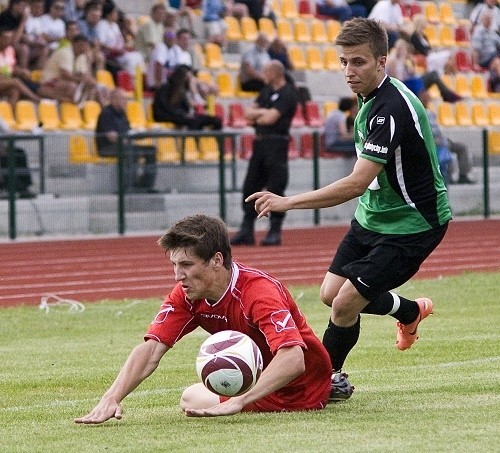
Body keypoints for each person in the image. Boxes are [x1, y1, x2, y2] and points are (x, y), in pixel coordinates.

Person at [247, 18, 452, 400]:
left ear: (381, 62)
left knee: (344, 304)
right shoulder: (368, 97)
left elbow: (356, 183)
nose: (348, 71)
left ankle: (326, 379)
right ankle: (407, 311)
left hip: (412, 223)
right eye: (344, 62)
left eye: (358, 62)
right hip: (374, 215)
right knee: (330, 293)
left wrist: (287, 201)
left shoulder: (390, 109)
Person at [74, 214, 332, 423]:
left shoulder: (258, 292)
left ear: (216, 260)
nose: (177, 275)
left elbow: (294, 358)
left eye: (186, 265)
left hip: (301, 390)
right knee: (189, 398)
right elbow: (151, 349)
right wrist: (111, 397)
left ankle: (331, 387)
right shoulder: (187, 295)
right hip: (254, 387)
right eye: (174, 265)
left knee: (194, 397)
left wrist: (238, 401)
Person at [230, 60, 298, 247]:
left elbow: (270, 118)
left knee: (276, 186)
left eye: (266, 71)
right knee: (250, 185)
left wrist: (259, 115)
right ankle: (247, 229)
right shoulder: (266, 91)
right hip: (260, 143)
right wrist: (262, 114)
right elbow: (247, 114)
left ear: (276, 73)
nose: (263, 75)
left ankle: (274, 230)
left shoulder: (288, 93)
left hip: (277, 144)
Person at [95, 88, 157, 193]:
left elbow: (128, 131)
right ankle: (129, 186)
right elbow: (111, 136)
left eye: (126, 99)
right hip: (108, 148)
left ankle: (146, 185)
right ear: (114, 100)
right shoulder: (106, 114)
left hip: (124, 145)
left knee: (150, 150)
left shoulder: (123, 114)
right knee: (132, 152)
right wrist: (125, 139)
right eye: (123, 99)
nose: (126, 102)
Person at [419, 89, 475, 185]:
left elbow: (437, 131)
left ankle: (463, 175)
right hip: (433, 143)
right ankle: (447, 177)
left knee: (462, 147)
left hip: (442, 140)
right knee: (444, 151)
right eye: (426, 98)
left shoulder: (431, 113)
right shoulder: (419, 113)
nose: (428, 100)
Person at [38, 34, 109, 105]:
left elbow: (84, 75)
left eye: (85, 46)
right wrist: (84, 81)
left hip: (64, 82)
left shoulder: (82, 56)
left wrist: (89, 62)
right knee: (73, 87)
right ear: (74, 44)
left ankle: (101, 110)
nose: (83, 48)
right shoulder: (65, 52)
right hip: (49, 82)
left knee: (97, 90)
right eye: (81, 45)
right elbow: (65, 75)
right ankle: (63, 101)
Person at [386, 38, 462, 102]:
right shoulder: (393, 61)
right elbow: (396, 79)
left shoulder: (405, 61)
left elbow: (412, 73)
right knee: (433, 75)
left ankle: (446, 94)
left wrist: (410, 64)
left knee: (432, 76)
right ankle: (447, 95)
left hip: (410, 83)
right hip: (403, 86)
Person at [152, 64, 222, 130]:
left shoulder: (183, 90)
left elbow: (187, 108)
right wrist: (182, 114)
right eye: (189, 77)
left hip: (180, 116)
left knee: (216, 120)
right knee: (194, 122)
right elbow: (164, 109)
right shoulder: (165, 88)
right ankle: (192, 142)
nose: (191, 79)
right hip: (167, 116)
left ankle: (211, 142)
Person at [0, 116, 35, 199]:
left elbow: (7, 131)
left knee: (20, 153)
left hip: (3, 148)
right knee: (5, 157)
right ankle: (17, 188)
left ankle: (25, 186)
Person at [471, 11, 500, 92]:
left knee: (496, 58)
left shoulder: (492, 32)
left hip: (493, 56)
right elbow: (475, 49)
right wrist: (475, 64)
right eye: (487, 19)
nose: (488, 21)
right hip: (484, 58)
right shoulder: (478, 32)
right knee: (497, 61)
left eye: (490, 19)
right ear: (482, 19)